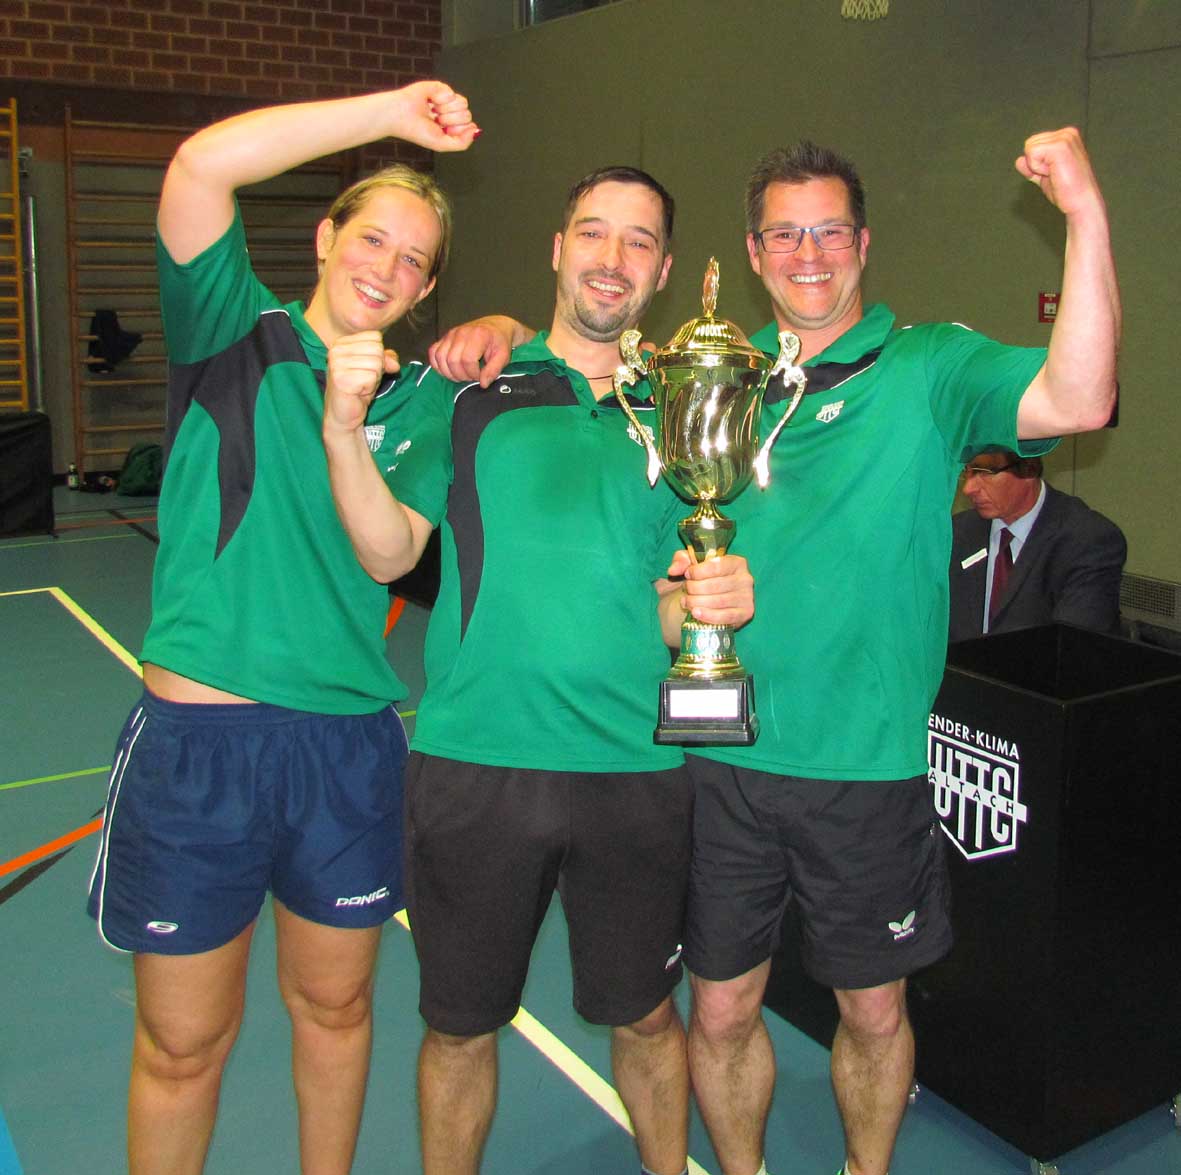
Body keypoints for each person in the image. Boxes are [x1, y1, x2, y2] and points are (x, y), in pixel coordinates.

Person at [429, 127, 1120, 1175]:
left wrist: (1082, 213)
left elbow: (1080, 399)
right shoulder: (711, 377)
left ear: (862, 244)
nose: (809, 253)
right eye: (785, 234)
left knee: (872, 1009)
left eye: (829, 232)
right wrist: (495, 328)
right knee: (717, 1010)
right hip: (718, 761)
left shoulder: (925, 364)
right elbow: (585, 350)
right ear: (752, 253)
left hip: (864, 765)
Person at [323, 165, 754, 1175]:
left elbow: (662, 602)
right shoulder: (471, 386)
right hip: (478, 759)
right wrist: (343, 432)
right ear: (558, 249)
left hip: (634, 770)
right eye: (593, 233)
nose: (612, 258)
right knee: (458, 1027)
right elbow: (388, 552)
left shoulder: (677, 409)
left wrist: (706, 601)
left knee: (645, 1016)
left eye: (639, 241)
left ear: (662, 272)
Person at [85, 83, 478, 1175]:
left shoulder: (423, 404)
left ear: (426, 290)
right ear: (324, 237)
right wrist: (391, 112)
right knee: (182, 1042)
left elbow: (392, 554)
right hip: (200, 744)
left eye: (414, 261)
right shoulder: (232, 332)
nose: (386, 268)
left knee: (337, 1009)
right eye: (372, 238)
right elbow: (201, 166)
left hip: (344, 747)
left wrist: (349, 421)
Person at [949, 447, 1126, 640]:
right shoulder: (957, 532)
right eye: (967, 471)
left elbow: (1071, 645)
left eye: (985, 473)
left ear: (1028, 469)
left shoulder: (1088, 541)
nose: (968, 489)